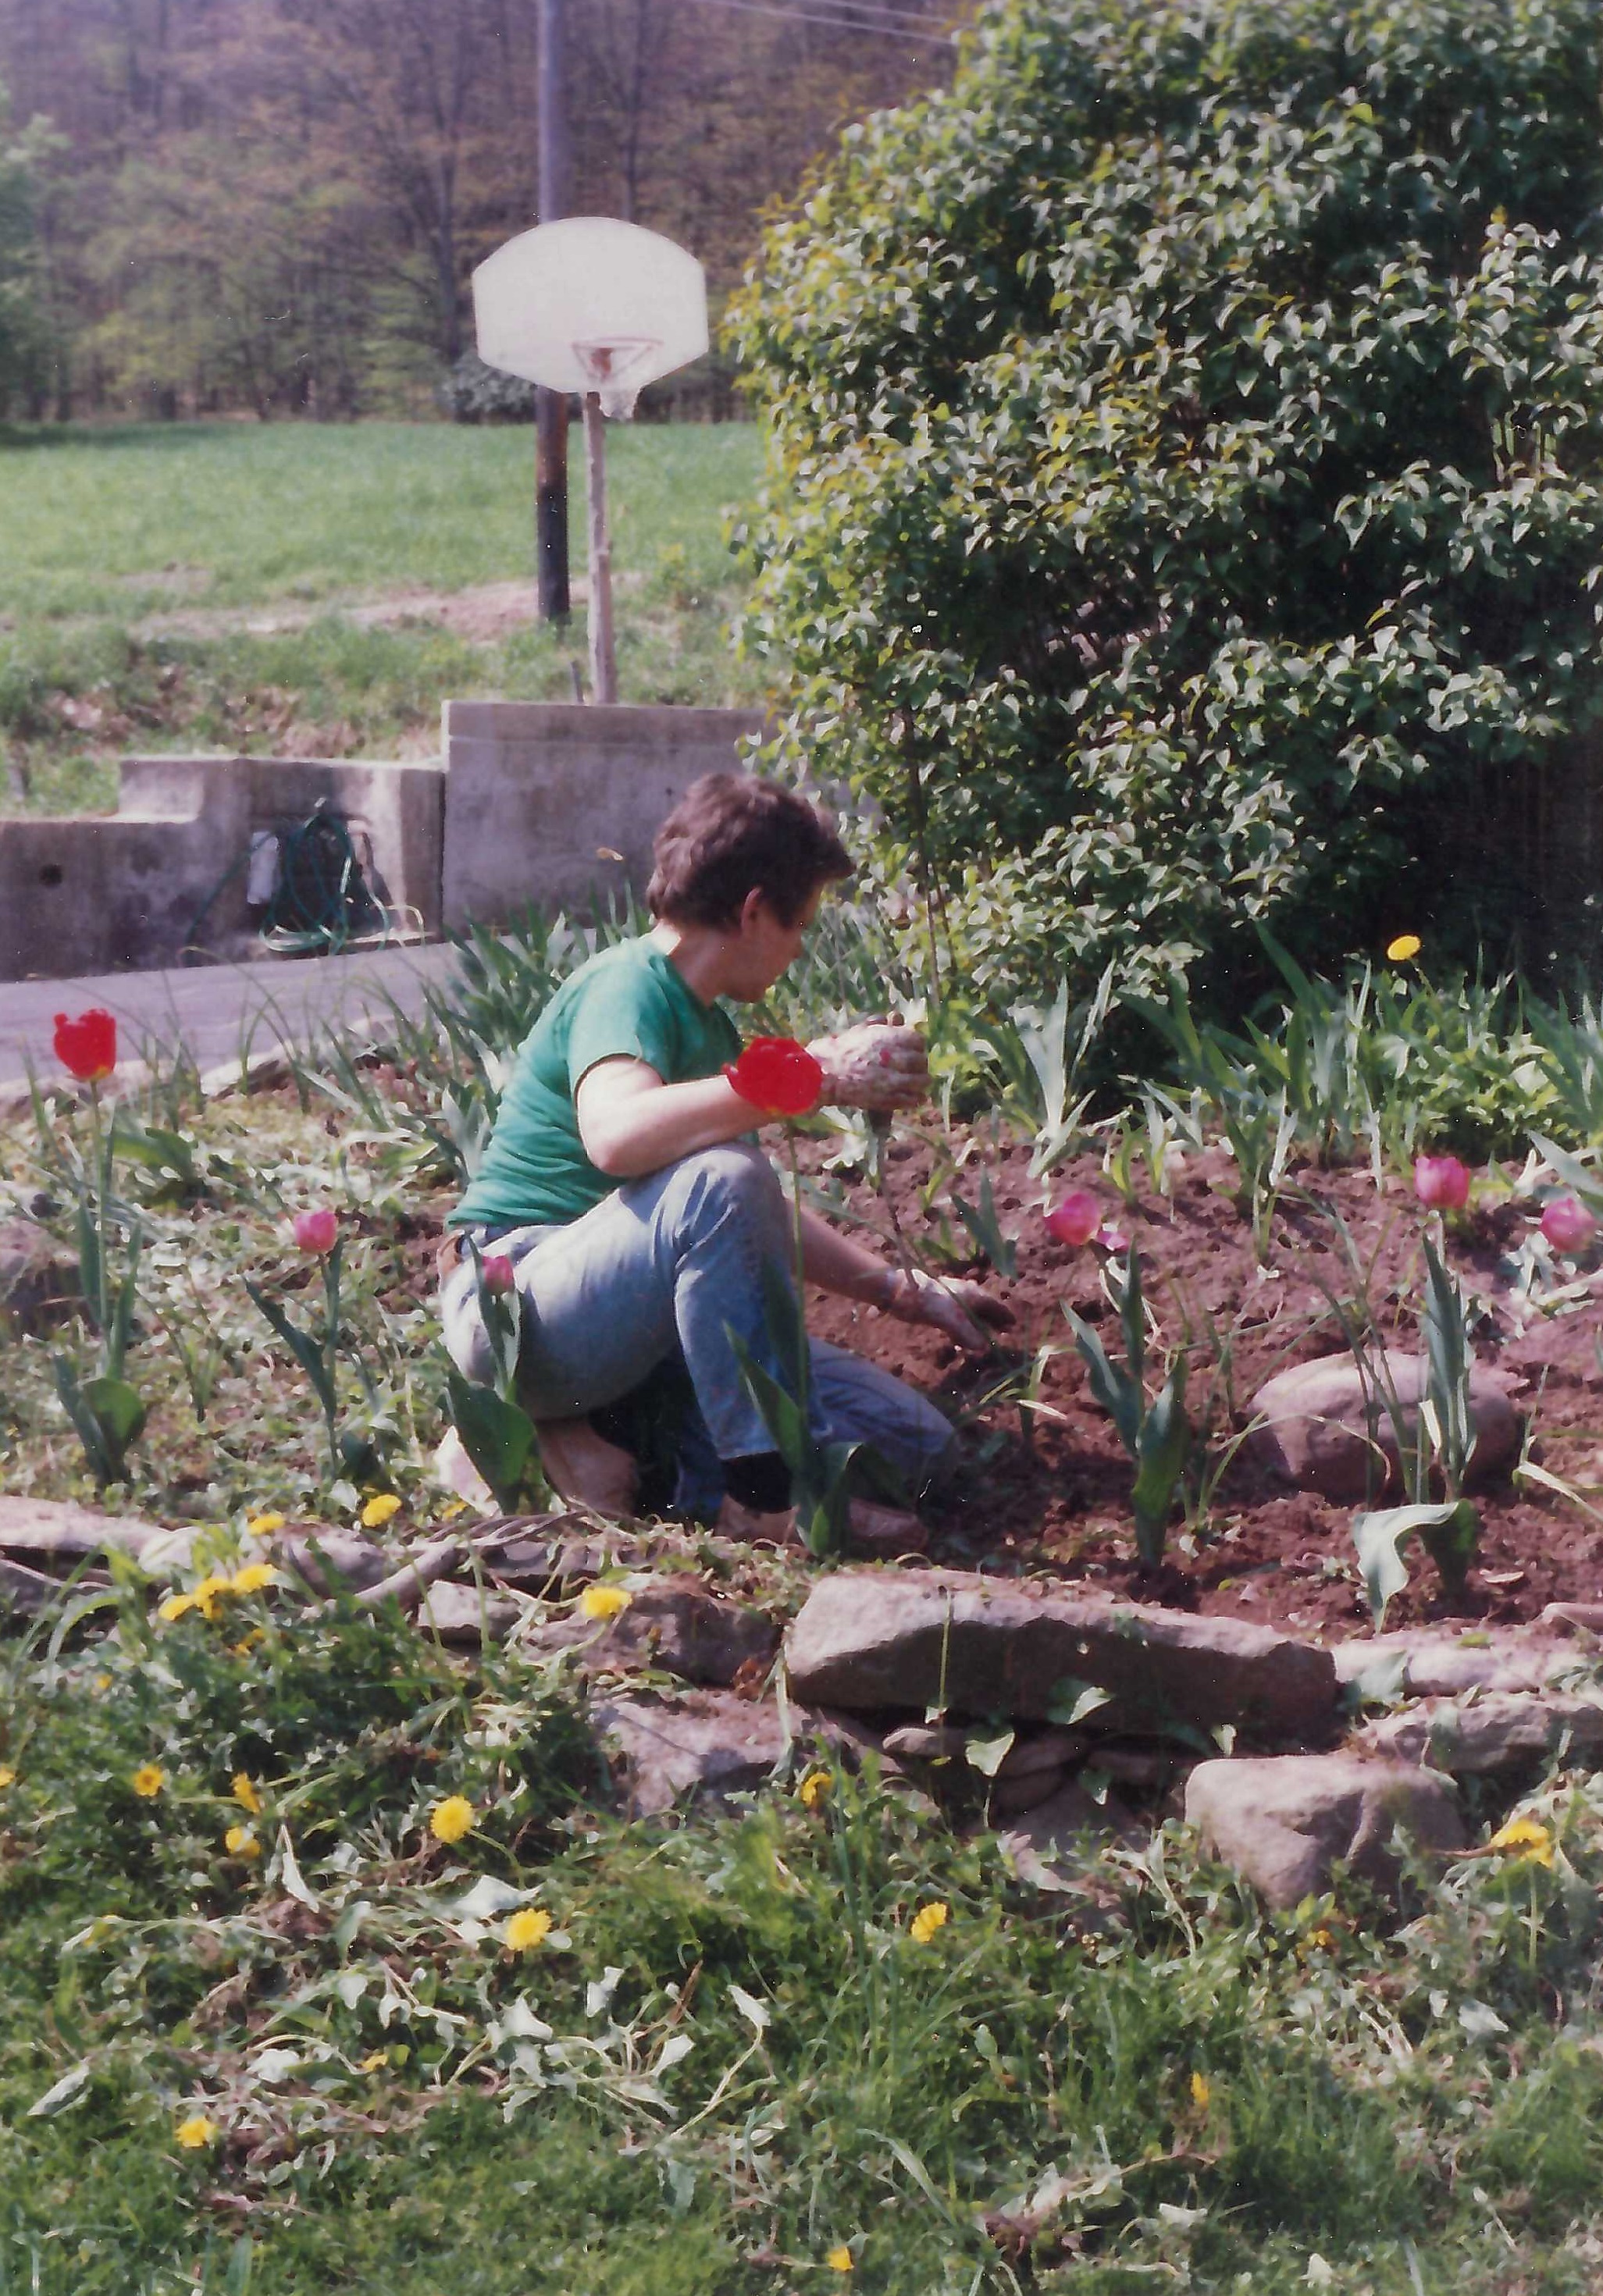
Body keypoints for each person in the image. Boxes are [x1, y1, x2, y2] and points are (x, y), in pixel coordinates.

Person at [440, 771, 1010, 1547]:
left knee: (914, 1445)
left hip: (621, 1332)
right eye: (798, 923)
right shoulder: (627, 984)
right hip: (516, 1303)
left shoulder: (707, 1031)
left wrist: (894, 1289)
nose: (800, 948)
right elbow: (616, 1134)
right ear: (751, 911)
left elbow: (744, 1217)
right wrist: (809, 1076)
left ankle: (599, 1450)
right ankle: (760, 1495)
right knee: (726, 1176)